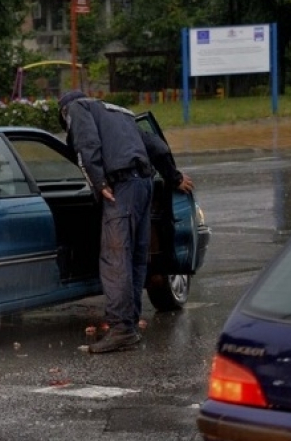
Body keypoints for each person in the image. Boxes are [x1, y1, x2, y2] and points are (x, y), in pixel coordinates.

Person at [58, 90, 194, 354]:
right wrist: (174, 177)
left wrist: (98, 182)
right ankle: (128, 325)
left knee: (115, 258)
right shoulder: (118, 113)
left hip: (121, 187)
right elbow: (157, 147)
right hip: (144, 185)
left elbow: (87, 145)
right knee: (134, 257)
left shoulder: (75, 108)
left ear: (64, 112)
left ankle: (121, 330)